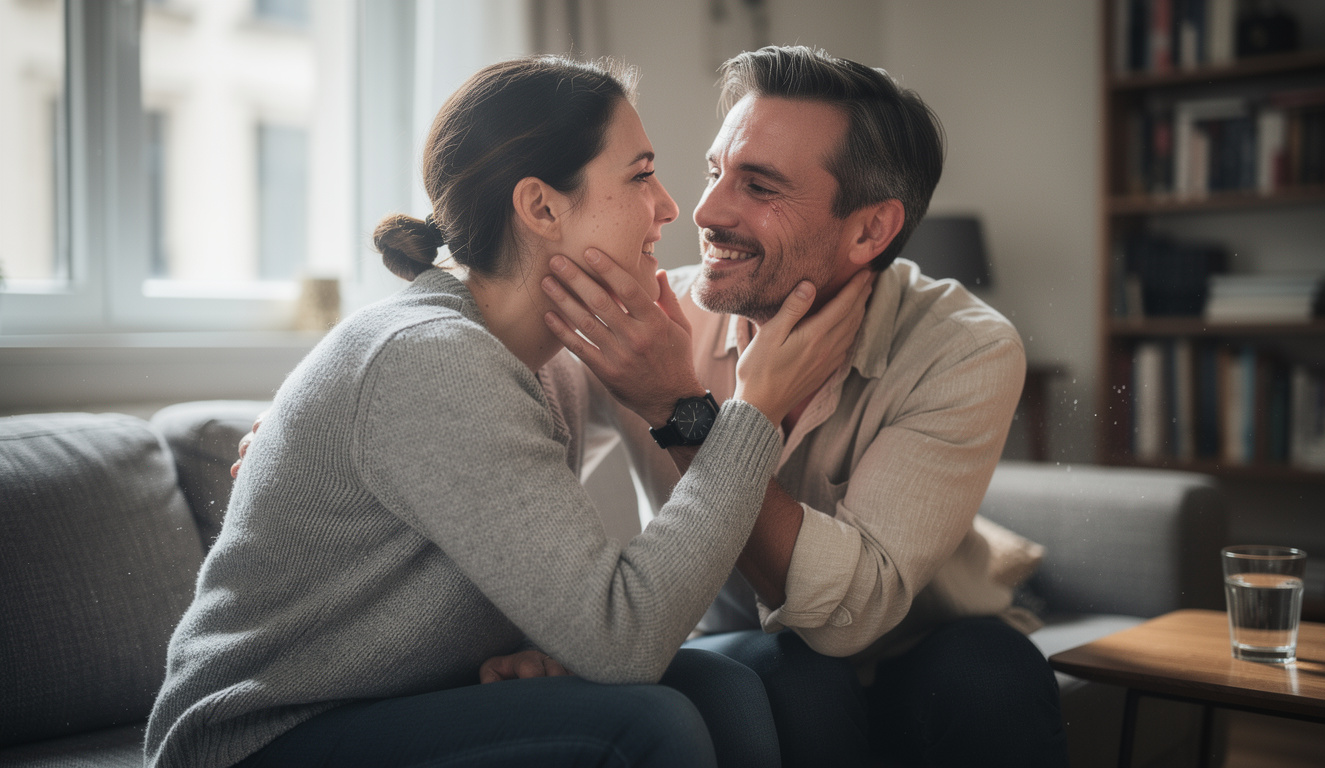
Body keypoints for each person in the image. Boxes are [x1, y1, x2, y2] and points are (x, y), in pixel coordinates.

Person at [146, 55, 873, 768]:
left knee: (725, 687)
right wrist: (755, 410)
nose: (670, 207)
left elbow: (579, 604)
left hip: (398, 700)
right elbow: (625, 638)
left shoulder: (540, 360)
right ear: (542, 208)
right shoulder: (433, 360)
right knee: (648, 723)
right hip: (256, 737)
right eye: (641, 173)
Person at [545, 46, 1068, 767]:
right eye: (714, 172)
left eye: (759, 187)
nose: (704, 211)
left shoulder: (964, 350)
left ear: (868, 231)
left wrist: (681, 409)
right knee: (793, 672)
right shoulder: (655, 316)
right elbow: (515, 433)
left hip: (926, 649)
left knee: (996, 670)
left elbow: (850, 615)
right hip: (750, 651)